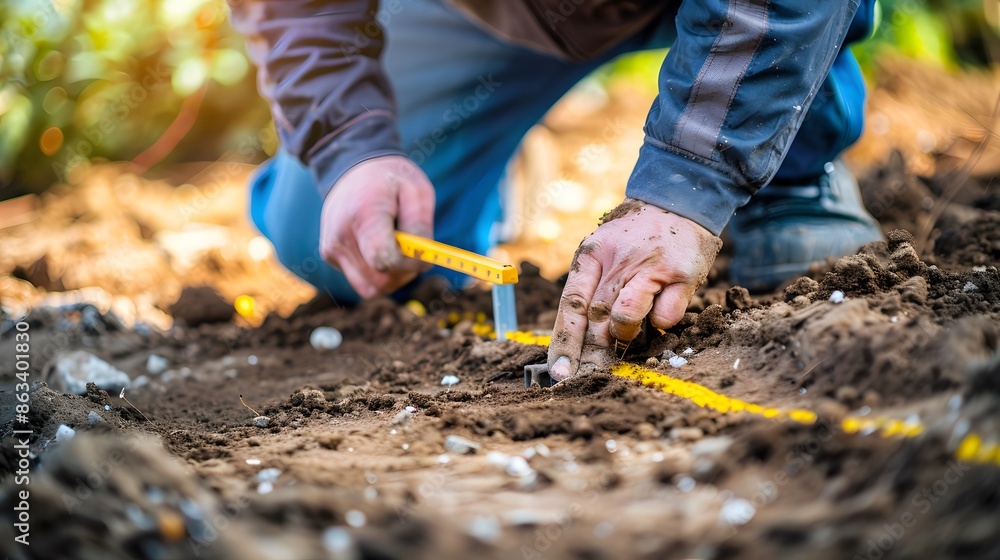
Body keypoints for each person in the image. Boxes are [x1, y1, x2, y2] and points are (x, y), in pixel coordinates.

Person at [230, 0, 883, 382]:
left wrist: (690, 185)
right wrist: (352, 144)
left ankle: (792, 168)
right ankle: (490, 149)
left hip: (734, 13)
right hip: (491, 14)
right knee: (335, 240)